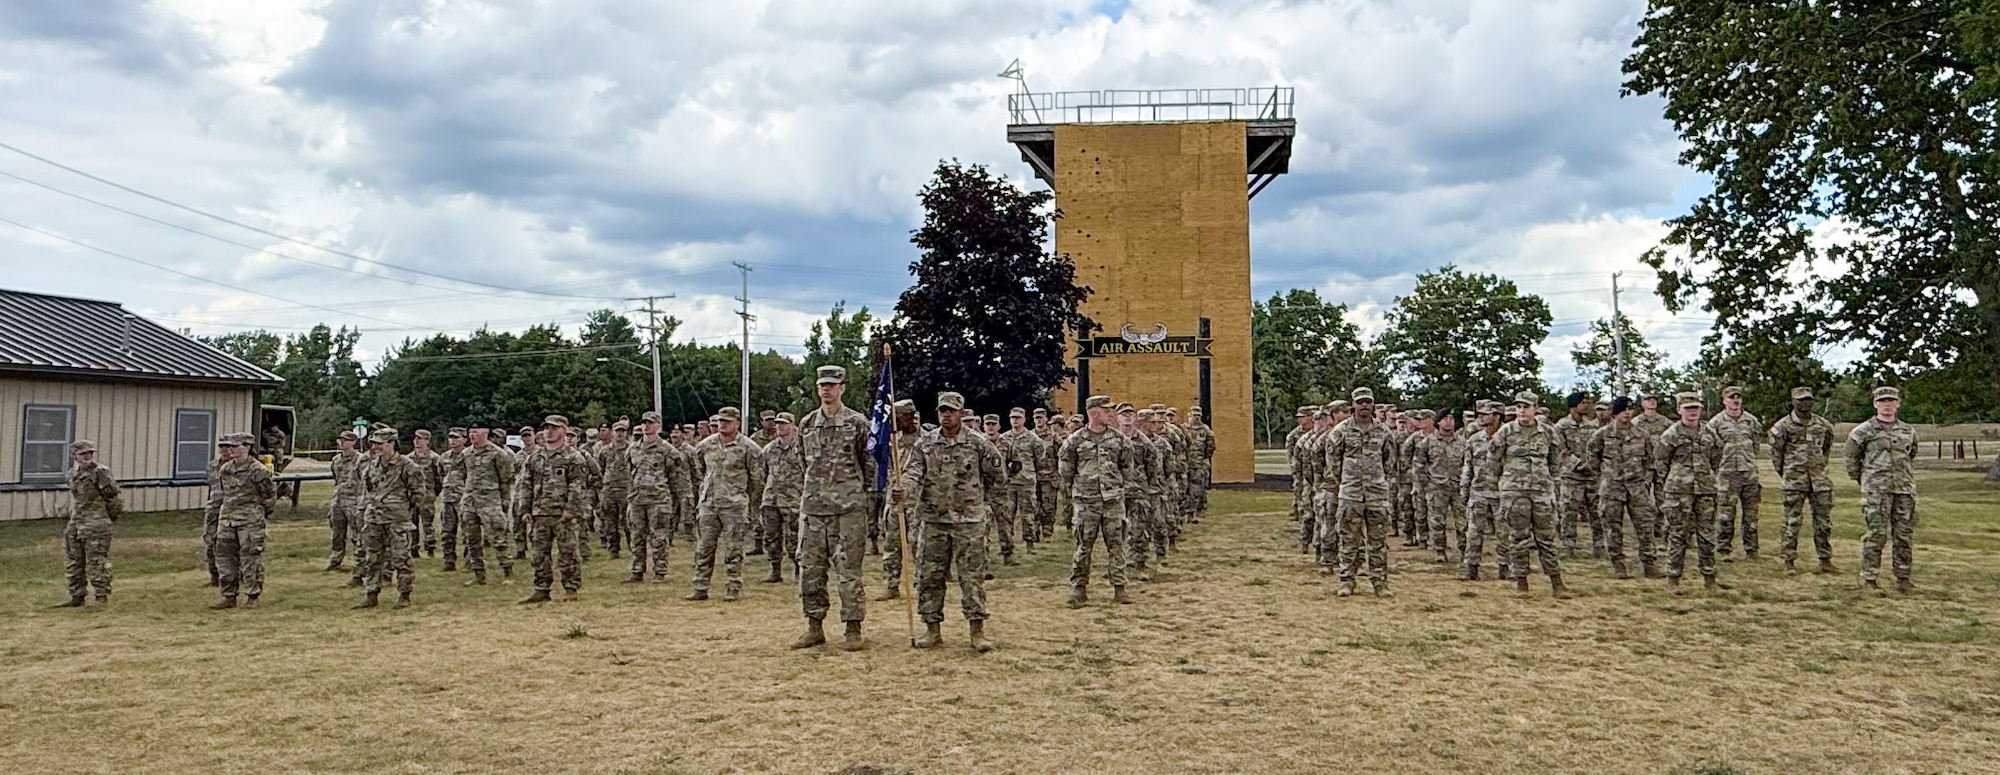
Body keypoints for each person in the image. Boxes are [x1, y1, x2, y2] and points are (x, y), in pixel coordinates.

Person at [899, 391, 1005, 651]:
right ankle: (932, 629)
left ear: (961, 413)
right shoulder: (925, 444)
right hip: (934, 521)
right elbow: (914, 471)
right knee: (929, 576)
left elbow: (997, 474)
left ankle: (977, 631)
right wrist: (905, 488)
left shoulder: (978, 443)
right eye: (942, 411)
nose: (946, 415)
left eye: (951, 411)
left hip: (969, 522)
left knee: (971, 578)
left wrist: (981, 503)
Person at [791, 365, 875, 651]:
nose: (826, 390)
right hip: (814, 509)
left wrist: (855, 493)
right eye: (822, 385)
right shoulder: (806, 424)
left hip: (848, 510)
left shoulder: (857, 422)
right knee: (810, 571)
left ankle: (853, 628)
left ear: (842, 388)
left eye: (832, 385)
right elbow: (803, 463)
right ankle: (814, 627)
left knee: (849, 571)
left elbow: (869, 463)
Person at [1487, 392, 1572, 599]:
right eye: (1518, 407)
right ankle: (1521, 582)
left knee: (1547, 538)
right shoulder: (1506, 432)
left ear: (1535, 408)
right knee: (1518, 537)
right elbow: (1493, 462)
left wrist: (1547, 481)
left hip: (1541, 492)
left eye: (1526, 406)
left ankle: (1556, 582)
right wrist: (1505, 484)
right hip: (1515, 493)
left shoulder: (1548, 433)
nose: (1522, 411)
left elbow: (1554, 461)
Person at [1323, 388, 1396, 597]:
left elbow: (1389, 461)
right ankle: (1347, 581)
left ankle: (1379, 583)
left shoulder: (1384, 431)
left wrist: (1377, 480)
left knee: (1378, 542)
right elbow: (1333, 462)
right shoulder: (1341, 431)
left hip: (1376, 494)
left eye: (1368, 402)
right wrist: (1347, 481)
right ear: (1353, 405)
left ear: (1373, 405)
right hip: (1351, 494)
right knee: (1348, 540)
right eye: (1360, 402)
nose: (1364, 406)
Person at [1060, 395, 1131, 607]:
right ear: (1093, 413)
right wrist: (1080, 492)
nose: (1111, 413)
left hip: (1112, 502)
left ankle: (1120, 588)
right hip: (1086, 502)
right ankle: (1079, 589)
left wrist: (1117, 489)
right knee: (1083, 545)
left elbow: (1127, 469)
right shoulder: (1075, 441)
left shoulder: (1119, 440)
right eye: (1106, 410)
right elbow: (1066, 472)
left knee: (1117, 545)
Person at [1846, 386, 1918, 594]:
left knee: (1904, 534)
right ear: (1875, 404)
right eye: (1883, 401)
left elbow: (1910, 454)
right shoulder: (1863, 431)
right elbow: (1852, 459)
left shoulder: (1908, 431)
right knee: (1876, 533)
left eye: (1891, 401)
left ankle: (1903, 577)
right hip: (1877, 491)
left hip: (1903, 490)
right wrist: (1866, 481)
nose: (1887, 405)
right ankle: (1870, 577)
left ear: (1898, 404)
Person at [690, 407, 763, 604]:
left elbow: (756, 479)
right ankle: (700, 586)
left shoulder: (749, 448)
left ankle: (732, 586)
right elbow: (700, 470)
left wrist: (742, 497)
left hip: (734, 506)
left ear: (738, 423)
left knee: (733, 548)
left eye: (728, 421)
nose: (723, 425)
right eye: (721, 421)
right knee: (704, 547)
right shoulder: (706, 445)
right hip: (709, 504)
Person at [1587, 397, 1661, 579]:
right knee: (1612, 526)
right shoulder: (1603, 434)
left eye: (1629, 409)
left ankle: (1649, 563)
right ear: (1615, 412)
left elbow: (1649, 459)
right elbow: (1592, 456)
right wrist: (1605, 475)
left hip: (1636, 487)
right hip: (1612, 487)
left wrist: (1642, 477)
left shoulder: (1641, 434)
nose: (1627, 413)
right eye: (1622, 410)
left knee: (1645, 525)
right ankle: (1618, 564)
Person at [518, 416, 589, 604]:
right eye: (546, 428)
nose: (549, 431)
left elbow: (578, 486)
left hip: (563, 514)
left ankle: (570, 588)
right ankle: (541, 588)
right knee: (539, 554)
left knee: (568, 553)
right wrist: (525, 509)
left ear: (564, 431)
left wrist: (571, 510)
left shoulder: (573, 457)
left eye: (554, 428)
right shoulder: (535, 458)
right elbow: (526, 484)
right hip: (540, 513)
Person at [1659, 392, 1725, 595]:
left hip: (1705, 490)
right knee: (1678, 534)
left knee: (1706, 535)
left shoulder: (1709, 433)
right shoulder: (1671, 434)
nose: (1692, 412)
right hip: (1679, 491)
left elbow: (1716, 456)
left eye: (1695, 408)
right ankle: (1673, 578)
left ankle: (1709, 577)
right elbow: (1661, 463)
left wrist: (1706, 476)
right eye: (1688, 409)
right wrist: (1673, 483)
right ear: (1679, 410)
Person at [1769, 386, 1838, 574]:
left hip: (1819, 481)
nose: (1804, 403)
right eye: (1800, 400)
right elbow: (1777, 455)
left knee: (1823, 523)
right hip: (1794, 481)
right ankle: (1788, 561)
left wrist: (1818, 467)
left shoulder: (1823, 425)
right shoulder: (1782, 426)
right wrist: (1788, 473)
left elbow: (1826, 448)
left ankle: (1825, 560)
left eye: (1808, 399)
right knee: (1792, 522)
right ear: (1793, 401)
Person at [355, 428, 423, 609]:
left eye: (380, 444)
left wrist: (400, 508)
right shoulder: (371, 465)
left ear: (392, 444)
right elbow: (368, 488)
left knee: (401, 558)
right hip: (374, 519)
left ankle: (404, 594)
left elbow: (418, 494)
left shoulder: (408, 466)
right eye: (374, 444)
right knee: (372, 558)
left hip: (397, 519)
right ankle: (371, 594)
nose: (376, 447)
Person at [207, 434, 275, 609]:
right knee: (224, 557)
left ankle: (253, 596)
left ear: (247, 447)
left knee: (250, 557)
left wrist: (258, 515)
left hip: (249, 520)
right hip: (228, 519)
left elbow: (268, 496)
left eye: (235, 446)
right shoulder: (226, 469)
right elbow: (222, 493)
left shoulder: (258, 470)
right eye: (230, 447)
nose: (231, 450)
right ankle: (229, 595)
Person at [627, 410, 694, 584]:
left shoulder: (666, 449)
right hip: (637, 498)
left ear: (658, 425)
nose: (646, 426)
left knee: (659, 537)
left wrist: (677, 498)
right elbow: (630, 472)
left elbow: (676, 476)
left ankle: (660, 571)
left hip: (658, 499)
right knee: (637, 536)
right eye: (644, 422)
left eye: (650, 422)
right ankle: (637, 570)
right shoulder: (633, 448)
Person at [56, 440, 122, 607]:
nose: (88, 457)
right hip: (76, 522)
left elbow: (114, 499)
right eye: (83, 454)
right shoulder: (73, 474)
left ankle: (101, 596)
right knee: (74, 559)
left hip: (96, 523)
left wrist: (105, 519)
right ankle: (77, 596)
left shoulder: (100, 472)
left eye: (90, 453)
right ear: (74, 456)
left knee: (96, 561)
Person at [1708, 386, 1765, 561]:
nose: (1735, 401)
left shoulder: (1751, 421)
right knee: (1726, 514)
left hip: (1748, 474)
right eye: (1731, 398)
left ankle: (1751, 550)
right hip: (1727, 475)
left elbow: (1755, 446)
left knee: (1751, 515)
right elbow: (1710, 449)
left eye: (1738, 398)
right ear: (1724, 400)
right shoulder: (1715, 423)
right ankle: (1724, 549)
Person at [878, 400, 924, 601]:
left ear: (908, 417)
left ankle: (922, 582)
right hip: (894, 499)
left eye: (897, 419)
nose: (893, 424)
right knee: (892, 543)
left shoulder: (925, 439)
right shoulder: (891, 439)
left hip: (918, 500)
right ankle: (891, 583)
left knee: (917, 543)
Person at [459, 427, 516, 585]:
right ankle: (478, 574)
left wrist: (504, 501)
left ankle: (507, 571)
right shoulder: (466, 454)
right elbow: (463, 475)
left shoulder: (498, 454)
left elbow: (506, 479)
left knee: (497, 537)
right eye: (471, 432)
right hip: (470, 500)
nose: (472, 435)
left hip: (490, 500)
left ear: (485, 433)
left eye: (476, 432)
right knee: (471, 538)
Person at [1460, 401, 1508, 581]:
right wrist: (1464, 490)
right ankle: (1471, 568)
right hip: (1478, 492)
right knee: (1473, 533)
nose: (1481, 417)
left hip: (1501, 493)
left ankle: (1505, 567)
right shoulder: (1474, 439)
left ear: (1497, 416)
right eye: (1479, 413)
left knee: (1504, 533)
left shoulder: (1508, 437)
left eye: (1486, 414)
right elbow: (1468, 467)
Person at [1553, 392, 1599, 559]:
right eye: (1583, 403)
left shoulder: (1592, 426)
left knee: (1597, 513)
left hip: (1592, 476)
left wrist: (1593, 466)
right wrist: (1578, 465)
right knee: (1569, 512)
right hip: (1572, 477)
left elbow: (1597, 448)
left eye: (1588, 402)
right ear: (1574, 406)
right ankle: (1568, 546)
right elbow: (1560, 451)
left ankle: (1599, 546)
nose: (1587, 406)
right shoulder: (1561, 426)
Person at [759, 412, 802, 583]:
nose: (780, 427)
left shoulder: (801, 447)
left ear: (793, 425)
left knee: (794, 537)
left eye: (784, 424)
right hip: (771, 499)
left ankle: (799, 568)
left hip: (794, 499)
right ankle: (775, 569)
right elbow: (762, 473)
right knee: (771, 536)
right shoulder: (769, 449)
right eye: (778, 424)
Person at [999, 407, 1045, 557]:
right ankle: (1007, 545)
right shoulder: (1003, 439)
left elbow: (1040, 461)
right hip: (1009, 482)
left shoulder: (1033, 439)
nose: (1015, 420)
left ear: (1024, 419)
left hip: (1026, 482)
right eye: (1013, 417)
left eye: (1018, 418)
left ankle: (1030, 543)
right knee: (1007, 515)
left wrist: (1032, 475)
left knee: (1028, 514)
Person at [327, 431, 364, 576]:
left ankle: (359, 562)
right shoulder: (336, 460)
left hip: (354, 501)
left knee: (357, 533)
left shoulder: (360, 460)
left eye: (346, 440)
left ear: (353, 442)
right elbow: (335, 478)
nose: (342, 443)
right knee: (337, 533)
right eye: (341, 440)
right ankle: (336, 560)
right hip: (338, 500)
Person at [597, 420, 634, 558]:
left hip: (627, 490)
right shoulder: (605, 451)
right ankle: (613, 549)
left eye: (622, 431)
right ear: (613, 433)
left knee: (629, 521)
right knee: (610, 521)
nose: (619, 434)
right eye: (617, 431)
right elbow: (599, 469)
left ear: (626, 433)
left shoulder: (632, 450)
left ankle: (633, 547)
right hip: (609, 490)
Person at [407, 430, 445, 560]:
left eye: (421, 439)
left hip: (427, 496)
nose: (417, 441)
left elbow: (439, 478)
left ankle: (430, 548)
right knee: (412, 522)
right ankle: (413, 548)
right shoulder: (408, 459)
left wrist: (433, 493)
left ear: (427, 441)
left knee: (428, 523)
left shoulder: (434, 458)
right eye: (416, 438)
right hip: (412, 496)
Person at [437, 429, 468, 571]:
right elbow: (440, 474)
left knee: (468, 532)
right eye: (450, 437)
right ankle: (449, 560)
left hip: (465, 499)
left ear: (464, 439)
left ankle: (470, 561)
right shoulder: (444, 457)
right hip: (448, 499)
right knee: (447, 532)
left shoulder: (469, 456)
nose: (453, 440)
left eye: (456, 437)